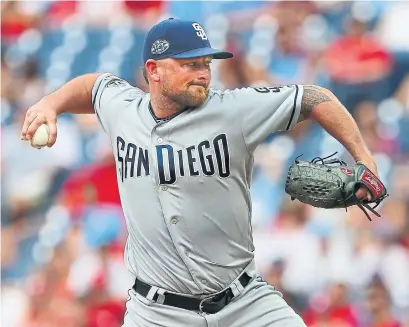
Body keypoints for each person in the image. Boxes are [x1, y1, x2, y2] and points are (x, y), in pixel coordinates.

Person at [21, 18, 381, 327]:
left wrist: (364, 155)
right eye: (190, 64)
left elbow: (314, 97)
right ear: (153, 70)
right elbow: (93, 85)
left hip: (244, 303)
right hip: (156, 312)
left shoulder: (234, 110)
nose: (203, 74)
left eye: (206, 64)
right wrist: (49, 104)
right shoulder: (123, 110)